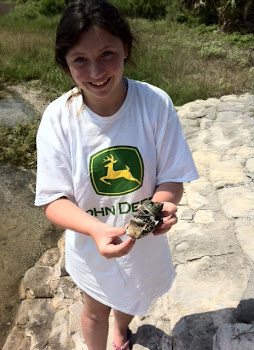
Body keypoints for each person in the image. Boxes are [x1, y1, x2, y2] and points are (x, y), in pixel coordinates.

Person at [35, 0, 198, 349]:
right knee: (95, 309)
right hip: (91, 245)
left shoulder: (155, 103)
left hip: (144, 242)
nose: (96, 71)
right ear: (65, 63)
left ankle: (121, 330)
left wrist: (163, 206)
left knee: (129, 299)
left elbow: (171, 177)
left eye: (107, 53)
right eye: (80, 59)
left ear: (125, 48)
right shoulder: (57, 118)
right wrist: (95, 228)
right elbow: (53, 199)